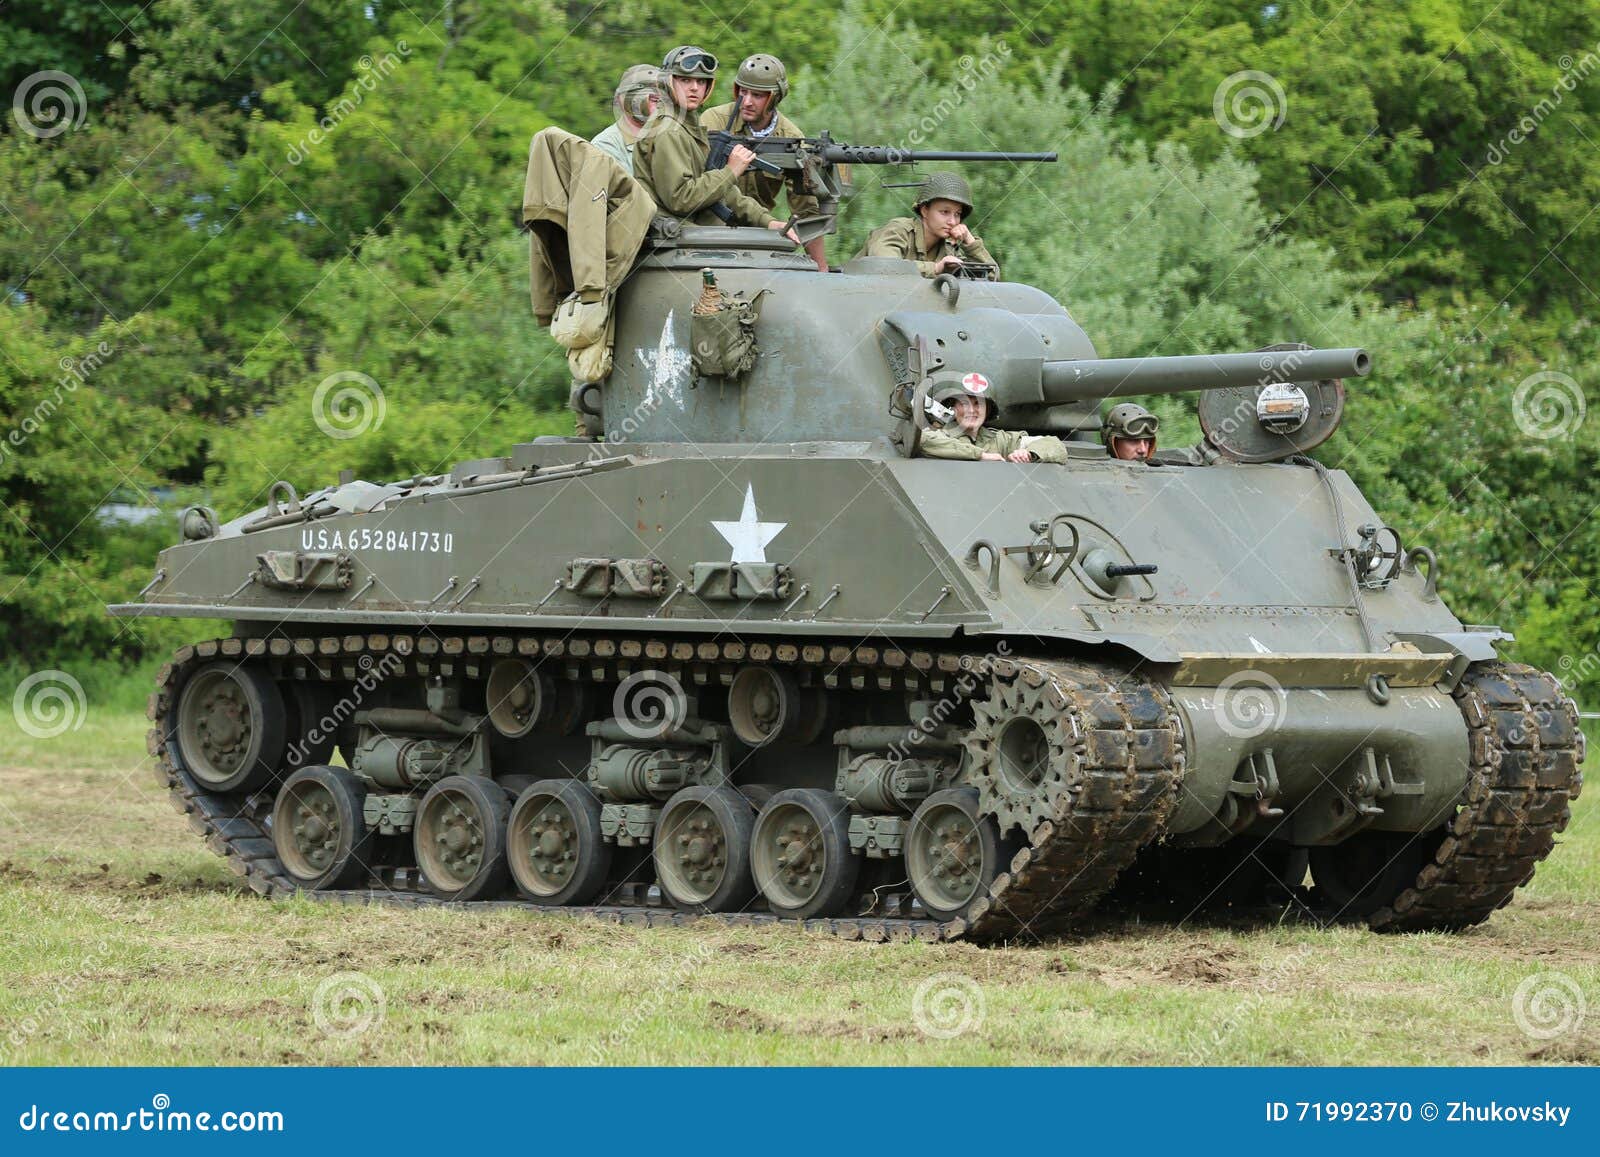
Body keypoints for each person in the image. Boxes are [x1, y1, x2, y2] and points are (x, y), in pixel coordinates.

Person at [633, 45, 798, 242]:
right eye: (685, 80)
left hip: (689, 233)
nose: (694, 88)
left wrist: (767, 221)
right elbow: (681, 198)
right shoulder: (668, 130)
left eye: (701, 81)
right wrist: (730, 171)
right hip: (671, 237)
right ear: (668, 82)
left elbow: (722, 193)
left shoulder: (687, 126)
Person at [700, 54, 828, 271]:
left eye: (757, 95)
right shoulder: (714, 122)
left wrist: (821, 268)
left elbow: (805, 209)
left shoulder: (790, 137)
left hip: (758, 235)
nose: (747, 101)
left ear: (775, 98)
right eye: (743, 91)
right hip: (709, 230)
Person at [858, 172, 999, 279]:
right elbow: (884, 268)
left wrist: (969, 241)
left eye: (957, 214)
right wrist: (936, 268)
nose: (953, 221)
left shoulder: (948, 248)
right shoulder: (898, 230)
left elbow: (992, 276)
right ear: (924, 210)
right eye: (945, 212)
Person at [917, 372, 1069, 462]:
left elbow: (1055, 445)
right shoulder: (939, 436)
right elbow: (922, 441)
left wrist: (1029, 453)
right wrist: (980, 455)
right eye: (964, 403)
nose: (971, 410)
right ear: (954, 408)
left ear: (988, 410)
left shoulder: (1000, 440)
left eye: (978, 404)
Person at [590, 64, 664, 176]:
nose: (659, 102)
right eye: (653, 99)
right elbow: (624, 190)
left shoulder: (666, 136)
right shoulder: (605, 145)